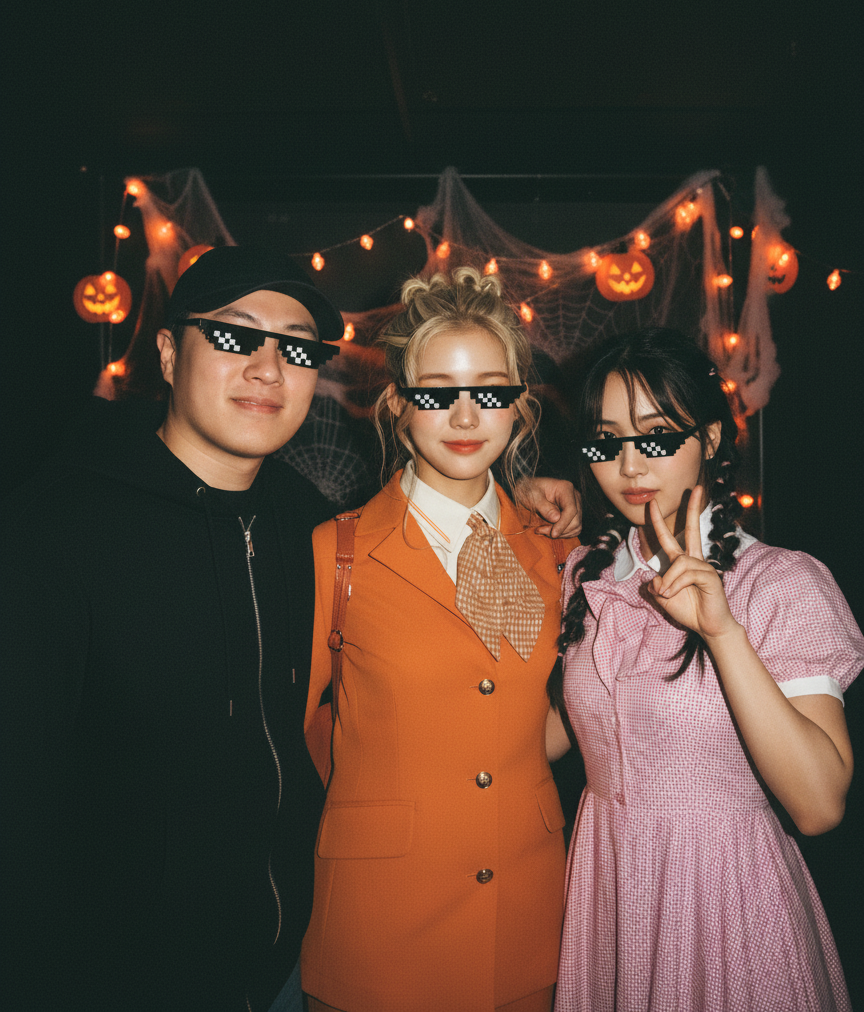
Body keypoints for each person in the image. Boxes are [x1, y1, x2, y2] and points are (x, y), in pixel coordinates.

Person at [1, 245, 579, 1012]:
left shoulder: (309, 520)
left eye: (297, 349)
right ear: (167, 353)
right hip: (131, 962)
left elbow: (532, 712)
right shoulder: (64, 529)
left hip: (375, 941)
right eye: (235, 336)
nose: (268, 370)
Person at [546, 326, 864, 1012]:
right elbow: (548, 737)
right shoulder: (583, 576)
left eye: (656, 437)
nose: (629, 465)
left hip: (728, 904)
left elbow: (819, 806)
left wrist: (722, 634)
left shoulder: (779, 583)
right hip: (609, 897)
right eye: (605, 442)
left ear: (711, 438)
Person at [300, 267, 580, 1012]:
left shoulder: (554, 552)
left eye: (489, 391)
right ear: (398, 404)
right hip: (379, 924)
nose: (464, 416)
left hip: (524, 919)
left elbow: (545, 713)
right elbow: (287, 736)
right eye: (436, 392)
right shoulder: (337, 552)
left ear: (519, 406)